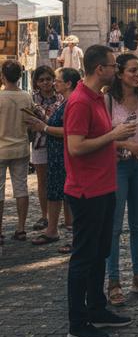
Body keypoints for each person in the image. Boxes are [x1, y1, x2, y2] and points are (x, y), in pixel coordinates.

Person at [64, 45, 136, 337]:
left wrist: (118, 145)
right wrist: (114, 137)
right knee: (83, 258)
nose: (116, 70)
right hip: (86, 191)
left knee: (99, 254)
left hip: (105, 187)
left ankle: (97, 309)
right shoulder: (80, 101)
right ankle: (77, 324)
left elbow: (98, 141)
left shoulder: (98, 98)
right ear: (99, 70)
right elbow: (76, 147)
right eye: (112, 65)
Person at [104, 54, 138, 305]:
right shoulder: (107, 101)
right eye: (133, 70)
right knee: (114, 227)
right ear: (119, 74)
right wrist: (125, 144)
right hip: (117, 167)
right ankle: (113, 281)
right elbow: (101, 138)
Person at [27, 68, 78, 253]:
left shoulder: (71, 102)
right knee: (52, 189)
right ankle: (52, 229)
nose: (54, 84)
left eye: (57, 80)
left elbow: (70, 131)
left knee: (69, 192)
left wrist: (45, 127)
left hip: (64, 154)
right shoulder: (65, 101)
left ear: (68, 84)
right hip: (54, 154)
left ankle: (72, 231)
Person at [0, 60, 34, 248]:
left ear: (2, 77)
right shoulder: (26, 96)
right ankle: (20, 228)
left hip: (1, 148)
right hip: (20, 146)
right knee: (21, 188)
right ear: (20, 76)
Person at [28, 66, 64, 237]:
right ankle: (45, 215)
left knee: (60, 180)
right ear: (36, 82)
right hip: (40, 143)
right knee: (42, 181)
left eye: (48, 79)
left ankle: (64, 217)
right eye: (41, 80)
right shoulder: (32, 99)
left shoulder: (62, 98)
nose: (45, 83)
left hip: (58, 144)